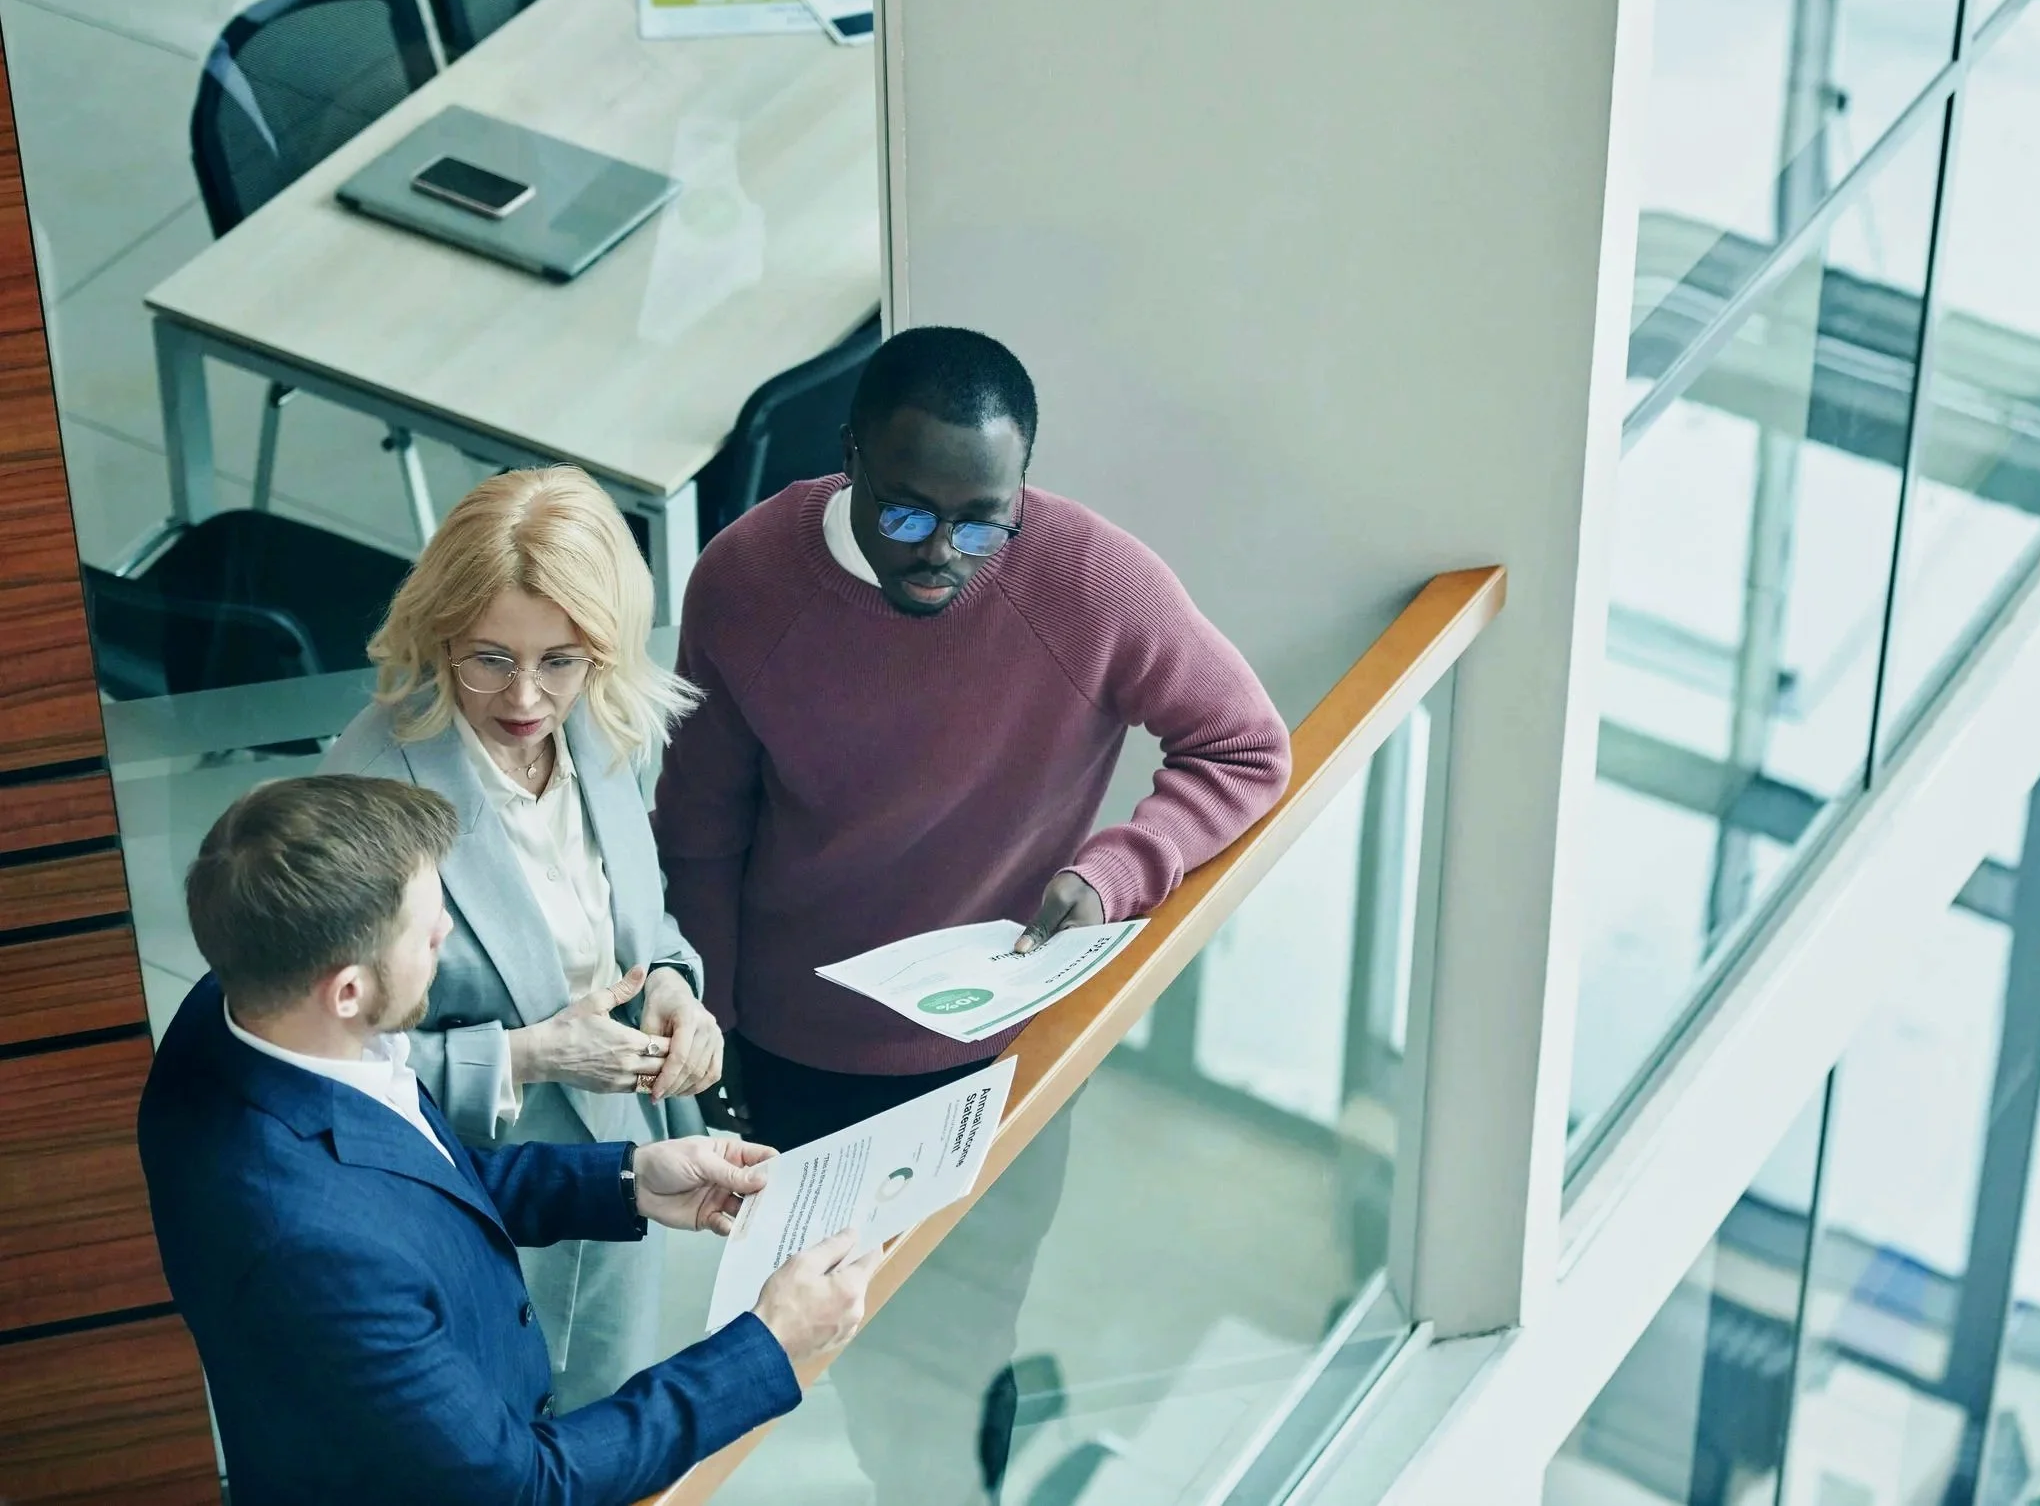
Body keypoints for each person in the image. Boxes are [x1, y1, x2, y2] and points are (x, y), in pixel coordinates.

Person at [656, 324, 1292, 1501]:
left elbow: (1247, 745)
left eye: (980, 520)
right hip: (792, 1054)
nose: (944, 552)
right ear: (849, 458)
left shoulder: (1088, 580)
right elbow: (700, 830)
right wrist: (716, 1048)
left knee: (950, 1359)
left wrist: (1116, 867)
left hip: (1000, 1056)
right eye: (905, 514)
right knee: (847, 1353)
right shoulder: (748, 578)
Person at [137, 775, 878, 1506]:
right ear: (349, 990)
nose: (447, 932)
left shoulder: (244, 1005)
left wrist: (629, 1180)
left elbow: (408, 1182)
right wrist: (771, 1341)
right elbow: (523, 1483)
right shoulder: (309, 1249)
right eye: (425, 930)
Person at [324, 466, 727, 1410]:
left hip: (624, 1156)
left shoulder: (602, 720)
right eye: (490, 657)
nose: (527, 696)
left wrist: (671, 983)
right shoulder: (373, 790)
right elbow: (325, 1072)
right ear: (441, 632)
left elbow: (636, 916)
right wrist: (529, 1054)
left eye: (561, 658)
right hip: (478, 1187)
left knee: (609, 1414)